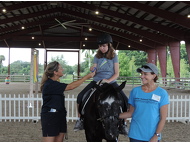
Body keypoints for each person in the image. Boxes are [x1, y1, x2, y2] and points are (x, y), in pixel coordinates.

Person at [73, 33, 129, 136]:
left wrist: (108, 80)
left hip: (111, 82)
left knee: (126, 100)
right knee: (80, 96)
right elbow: (94, 70)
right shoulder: (97, 56)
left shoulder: (114, 57)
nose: (102, 48)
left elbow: (117, 73)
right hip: (97, 81)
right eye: (100, 46)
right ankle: (80, 119)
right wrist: (92, 69)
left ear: (109, 45)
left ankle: (123, 124)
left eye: (104, 46)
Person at [40, 61, 95, 142]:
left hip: (60, 116)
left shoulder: (55, 83)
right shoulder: (50, 84)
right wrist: (87, 77)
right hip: (50, 117)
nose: (63, 69)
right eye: (60, 68)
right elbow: (71, 86)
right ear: (55, 72)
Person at [119, 63, 170, 142]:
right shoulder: (135, 91)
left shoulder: (162, 93)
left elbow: (163, 118)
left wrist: (156, 135)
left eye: (145, 74)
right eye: (141, 74)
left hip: (152, 136)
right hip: (135, 135)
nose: (142, 76)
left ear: (154, 76)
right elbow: (130, 113)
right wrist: (112, 115)